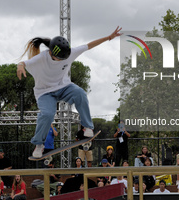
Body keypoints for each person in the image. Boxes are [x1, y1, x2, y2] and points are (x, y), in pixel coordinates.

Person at [16, 27, 122, 158]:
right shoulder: (41, 58)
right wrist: (20, 66)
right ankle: (39, 145)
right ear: (51, 53)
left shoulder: (70, 53)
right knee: (48, 114)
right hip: (45, 93)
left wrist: (108, 37)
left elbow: (89, 45)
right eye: (59, 59)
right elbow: (23, 63)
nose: (61, 61)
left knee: (80, 93)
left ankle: (88, 127)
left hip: (64, 87)